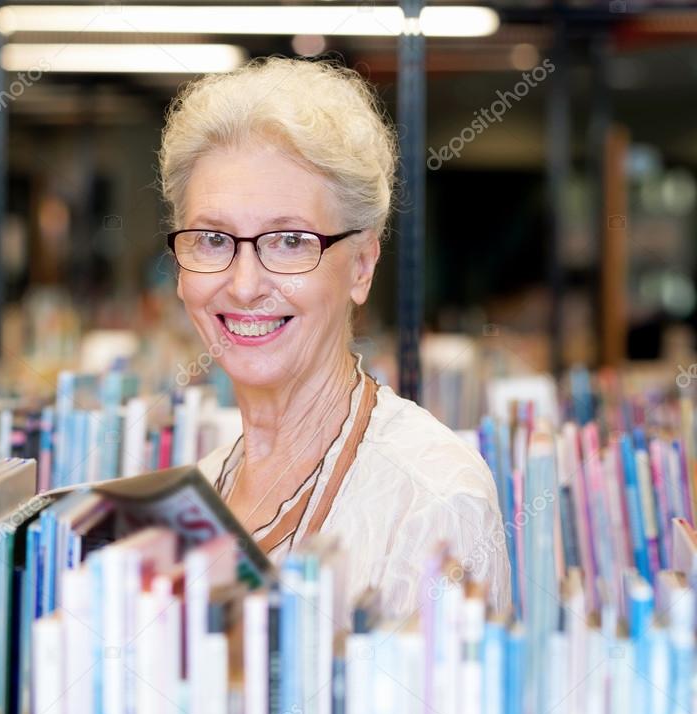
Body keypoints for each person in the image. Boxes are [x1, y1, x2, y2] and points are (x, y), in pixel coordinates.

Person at [158, 56, 511, 617]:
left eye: (290, 241)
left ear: (362, 266)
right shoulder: (197, 492)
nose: (245, 285)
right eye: (212, 238)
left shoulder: (433, 500)